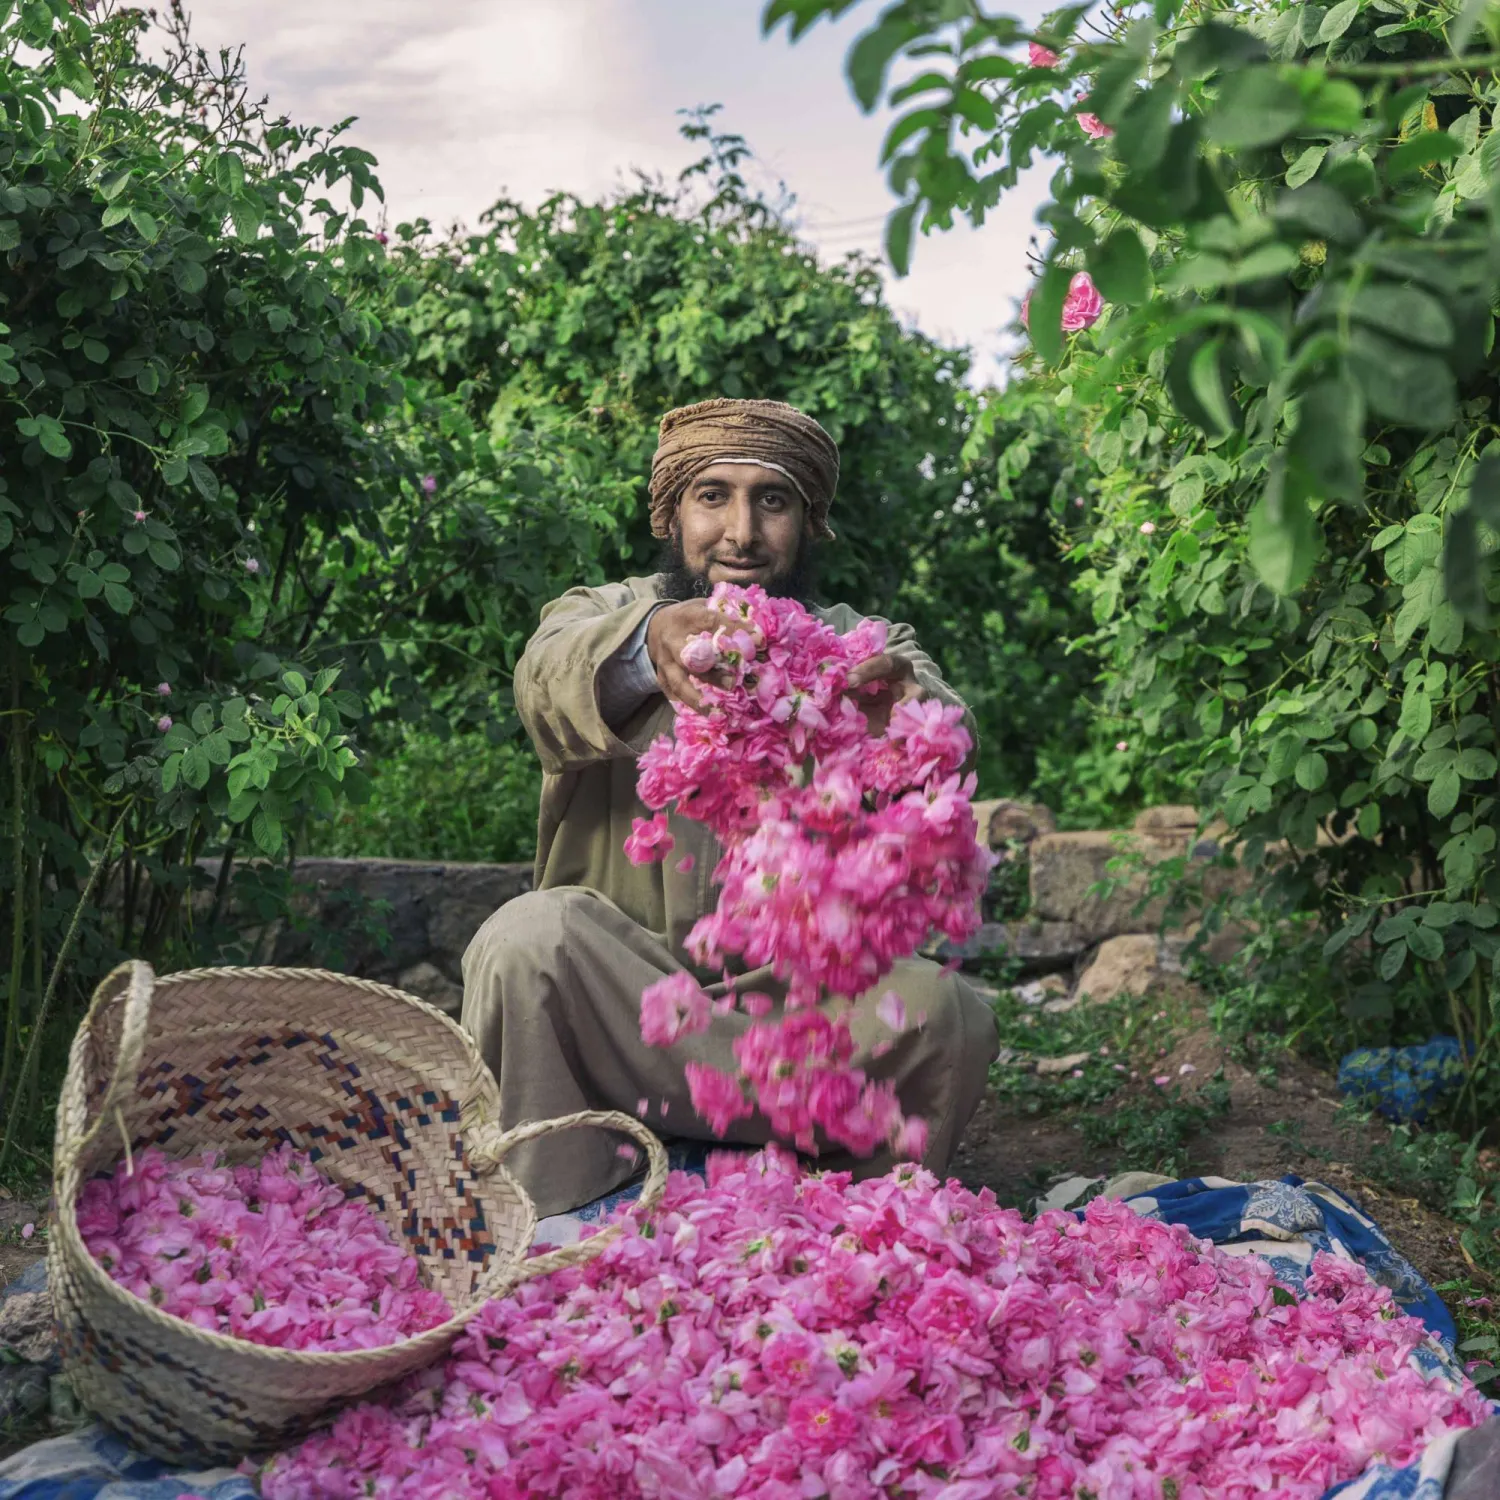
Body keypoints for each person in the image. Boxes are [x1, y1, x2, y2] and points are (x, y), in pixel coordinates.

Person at [461, 397, 1000, 1216]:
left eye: (771, 500)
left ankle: (859, 1229)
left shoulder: (860, 639)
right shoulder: (606, 615)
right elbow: (543, 684)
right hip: (627, 1006)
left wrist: (901, 715)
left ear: (808, 521)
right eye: (713, 495)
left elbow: (949, 725)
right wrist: (649, 650)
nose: (741, 532)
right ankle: (548, 1215)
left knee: (945, 1013)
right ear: (672, 513)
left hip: (799, 1016)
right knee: (526, 940)